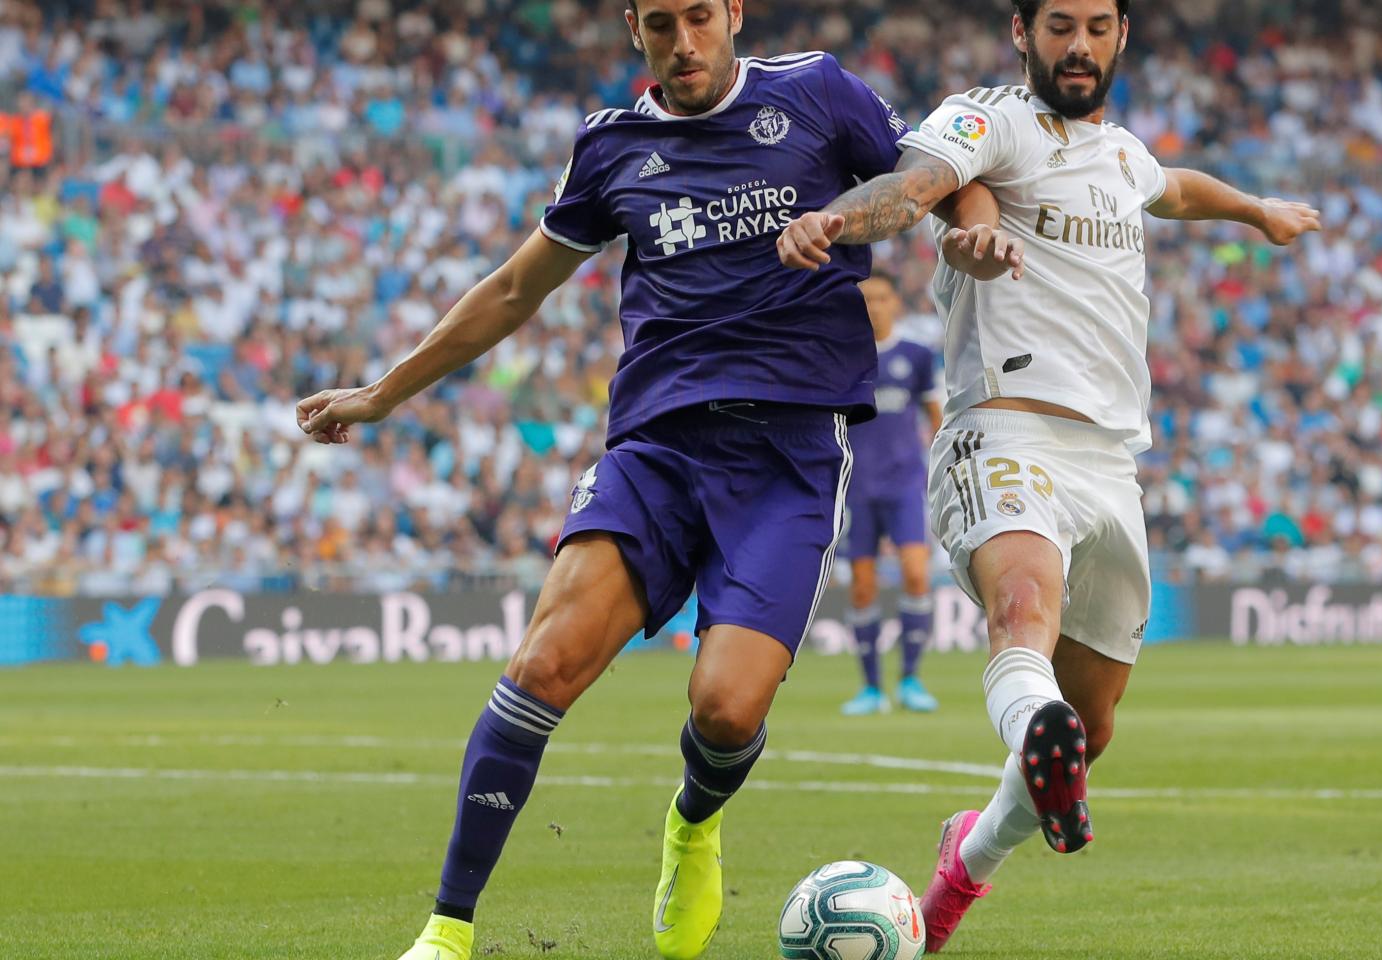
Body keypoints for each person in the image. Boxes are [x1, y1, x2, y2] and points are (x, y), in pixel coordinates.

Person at [296, 2, 1014, 958]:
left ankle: (692, 822)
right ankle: (447, 930)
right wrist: (383, 395)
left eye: (701, 18)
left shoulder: (816, 92)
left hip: (790, 457)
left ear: (734, 15)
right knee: (540, 668)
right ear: (635, 27)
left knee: (724, 709)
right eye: (662, 24)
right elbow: (515, 290)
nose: (685, 43)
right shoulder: (610, 147)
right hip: (657, 449)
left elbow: (939, 170)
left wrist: (969, 225)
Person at [776, 0, 1320, 950]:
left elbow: (1174, 187)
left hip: (1112, 460)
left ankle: (964, 863)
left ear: (1120, 37)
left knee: (1093, 728)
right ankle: (1034, 728)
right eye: (1059, 26)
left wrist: (1257, 209)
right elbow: (916, 187)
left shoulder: (1121, 153)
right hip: (1005, 427)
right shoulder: (988, 120)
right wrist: (833, 219)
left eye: (1098, 27)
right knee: (1022, 608)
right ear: (1022, 32)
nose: (1079, 46)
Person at [840, 271, 944, 716]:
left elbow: (936, 416)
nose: (874, 307)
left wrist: (943, 470)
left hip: (904, 485)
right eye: (866, 300)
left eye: (881, 298)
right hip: (857, 488)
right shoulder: (843, 359)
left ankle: (910, 679)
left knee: (917, 575)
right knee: (863, 587)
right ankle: (870, 689)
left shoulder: (916, 356)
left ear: (895, 303)